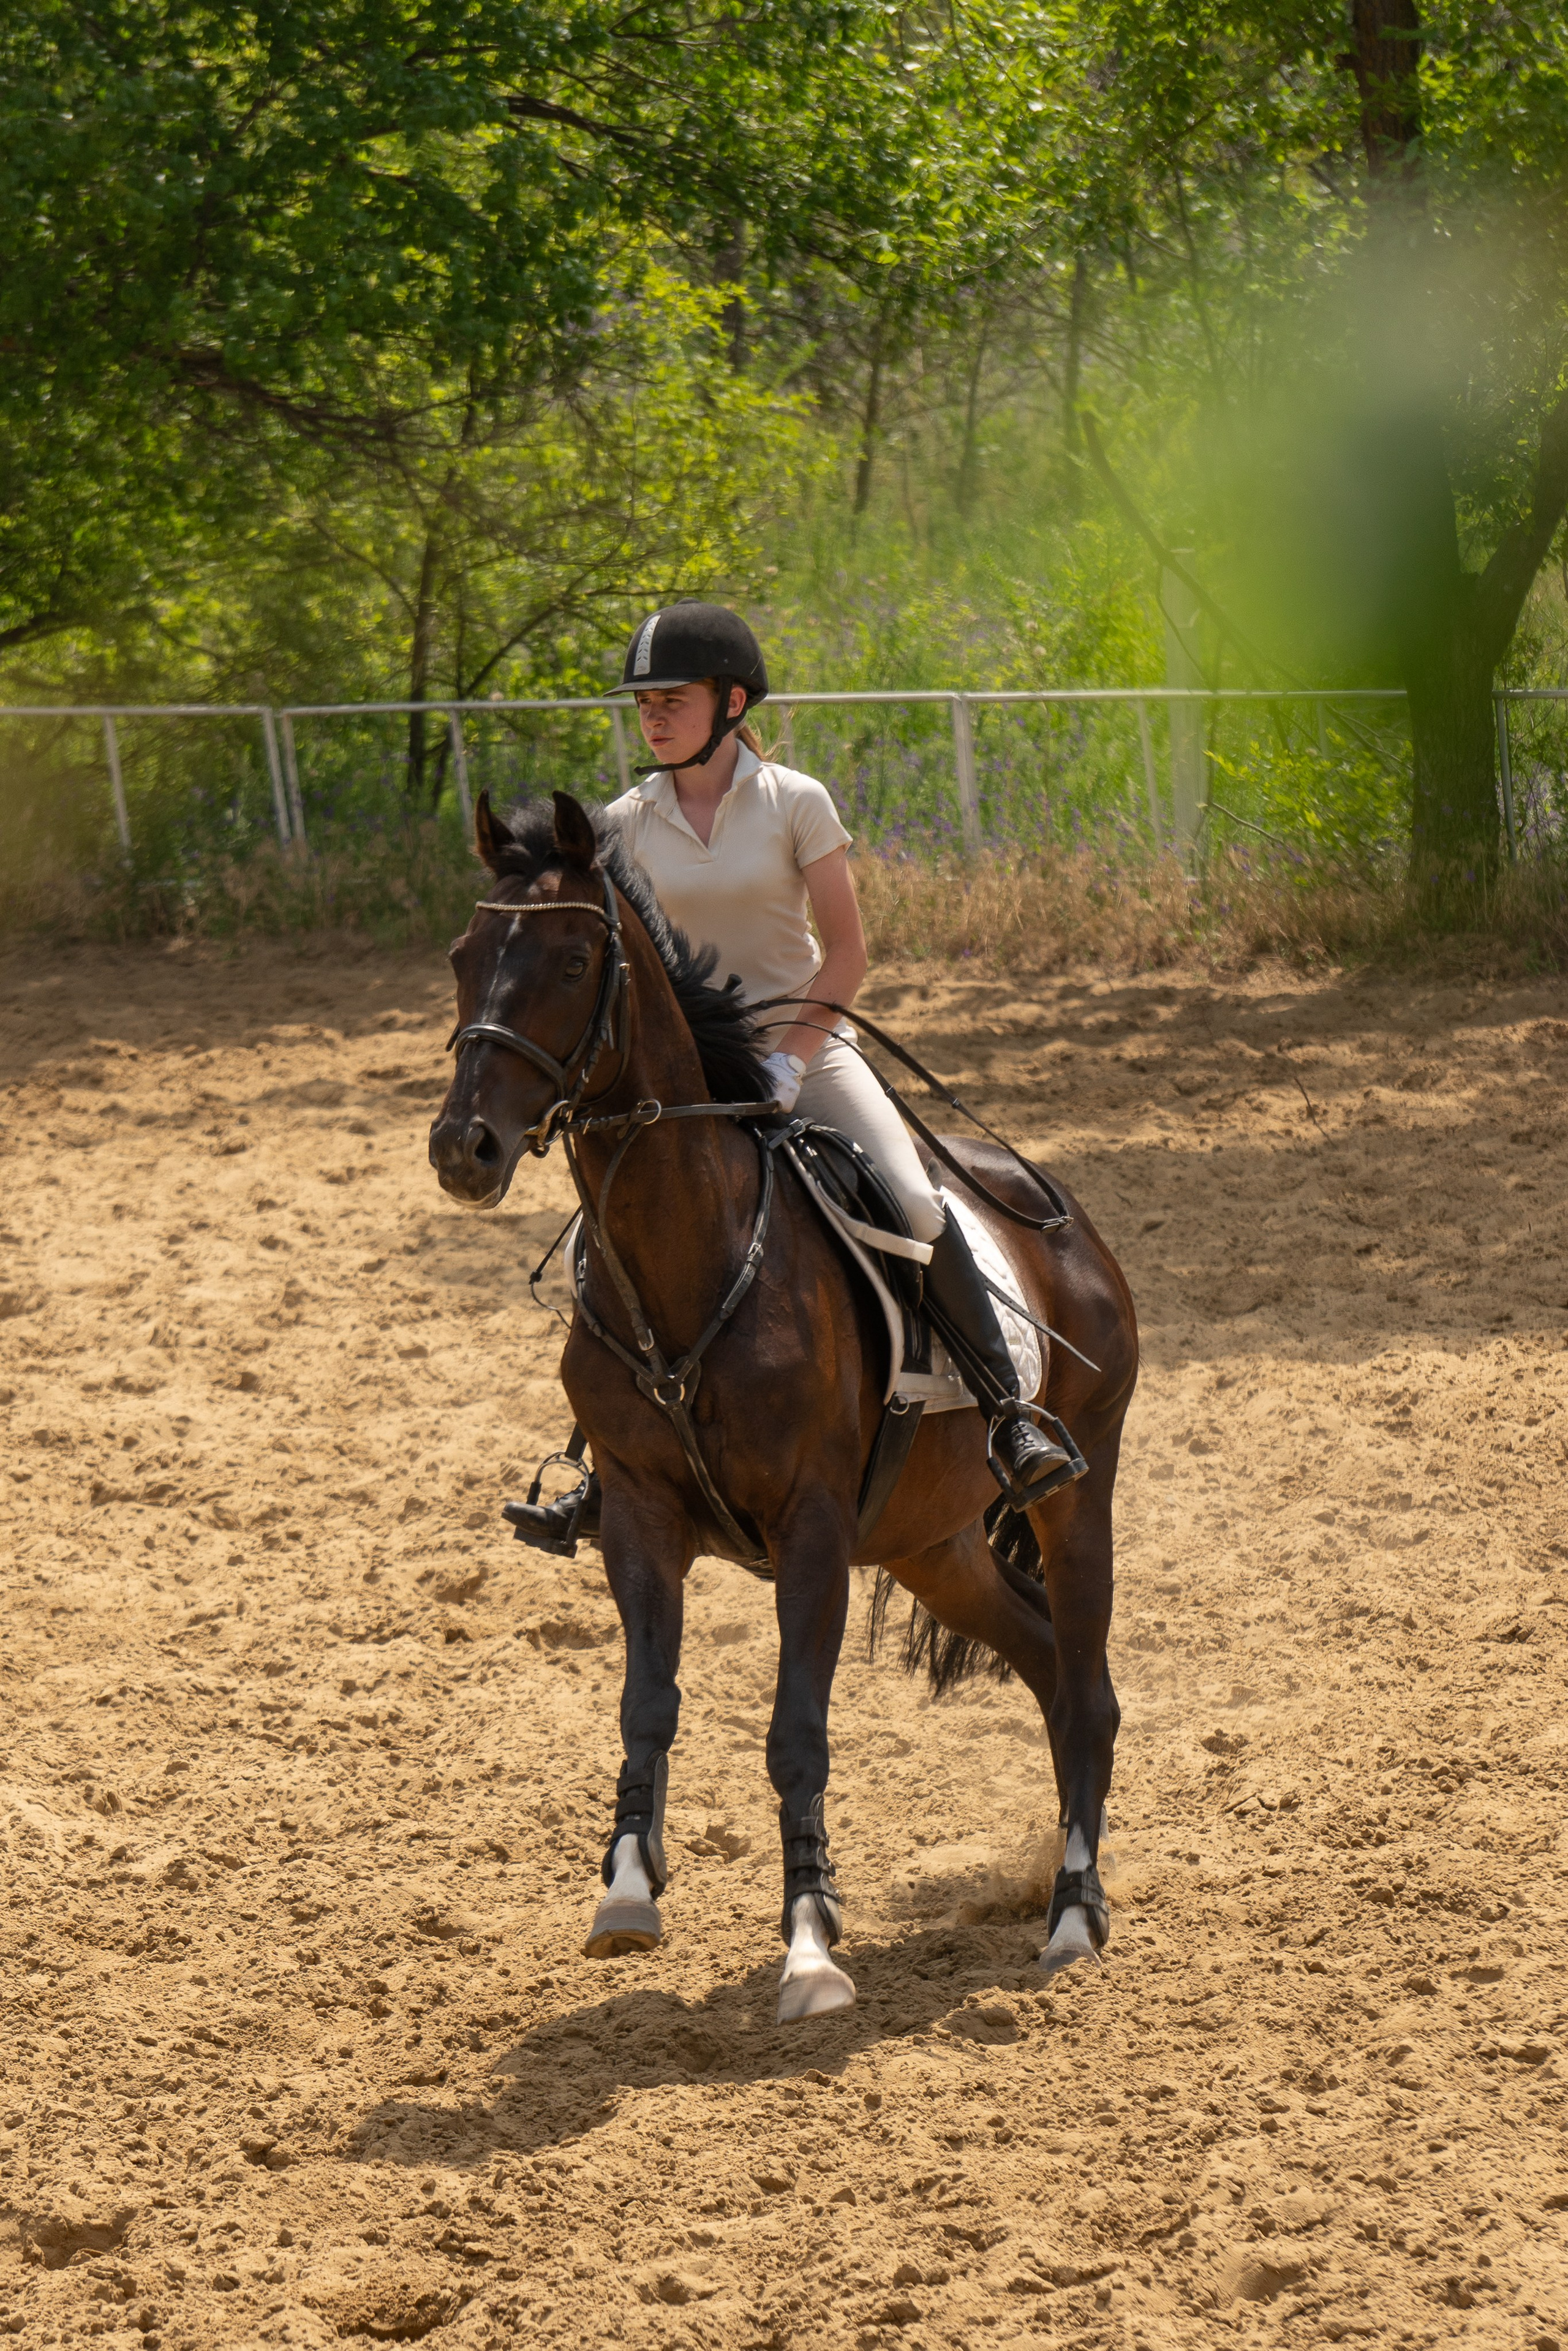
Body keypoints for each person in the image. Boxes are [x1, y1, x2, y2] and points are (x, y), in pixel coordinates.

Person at [592, 599, 1072, 1509]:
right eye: (643, 701)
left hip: (803, 1053)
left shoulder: (794, 802)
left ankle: (1010, 1413)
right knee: (608, 1235)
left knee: (912, 1199)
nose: (651, 713)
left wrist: (791, 1057)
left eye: (672, 697)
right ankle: (596, 1458)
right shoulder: (624, 824)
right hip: (693, 1079)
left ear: (732, 701)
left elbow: (847, 951)